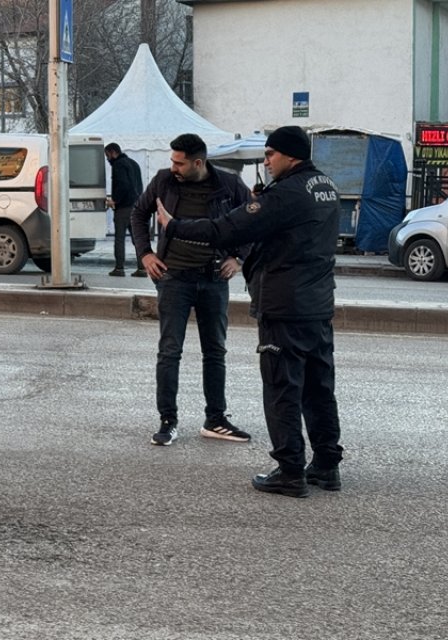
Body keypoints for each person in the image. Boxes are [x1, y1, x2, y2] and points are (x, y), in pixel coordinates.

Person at [155, 125, 344, 498]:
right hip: (317, 303)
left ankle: (290, 470)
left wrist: (174, 227)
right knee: (318, 387)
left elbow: (228, 228)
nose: (266, 161)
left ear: (291, 156)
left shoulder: (287, 193)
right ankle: (326, 465)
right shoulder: (326, 186)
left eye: (271, 154)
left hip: (285, 304)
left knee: (282, 387)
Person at [131, 133, 252, 447]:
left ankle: (215, 419)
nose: (173, 167)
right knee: (170, 351)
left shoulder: (229, 185)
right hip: (174, 279)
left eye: (179, 162)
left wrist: (238, 257)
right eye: (172, 160)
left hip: (213, 280)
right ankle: (168, 420)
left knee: (215, 352)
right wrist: (145, 253)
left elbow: (254, 221)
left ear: (198, 163)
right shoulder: (163, 181)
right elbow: (138, 214)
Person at [104, 142, 144, 277]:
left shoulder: (118, 165)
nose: (107, 158)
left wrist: (115, 200)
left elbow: (123, 185)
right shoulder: (134, 163)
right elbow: (139, 185)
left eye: (107, 155)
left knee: (119, 239)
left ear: (112, 152)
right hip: (137, 206)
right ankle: (142, 268)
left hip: (123, 208)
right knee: (137, 239)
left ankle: (119, 268)